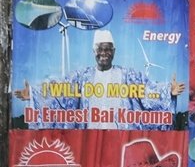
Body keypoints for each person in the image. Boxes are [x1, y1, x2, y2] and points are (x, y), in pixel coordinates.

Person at [14, 29, 185, 130]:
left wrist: (168, 91)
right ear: (93, 52)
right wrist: (34, 94)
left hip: (120, 139)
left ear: (114, 51)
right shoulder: (82, 77)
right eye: (99, 49)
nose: (104, 53)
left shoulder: (128, 76)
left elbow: (148, 90)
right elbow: (59, 91)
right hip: (91, 139)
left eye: (108, 49)